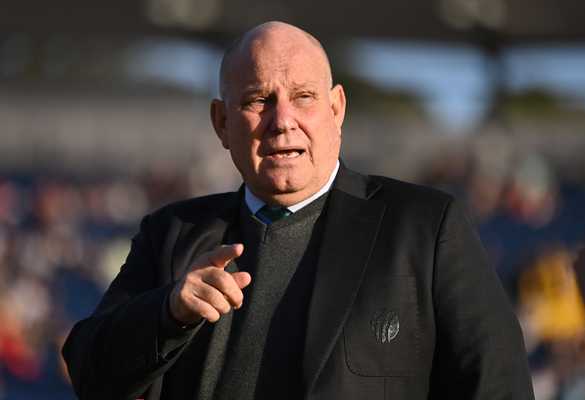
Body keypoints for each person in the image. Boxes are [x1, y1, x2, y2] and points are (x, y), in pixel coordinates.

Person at [62, 21, 534, 400]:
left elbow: (497, 386)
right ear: (222, 122)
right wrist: (168, 313)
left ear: (337, 109)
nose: (282, 120)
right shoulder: (171, 233)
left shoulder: (425, 228)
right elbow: (87, 370)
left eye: (303, 97)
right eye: (258, 100)